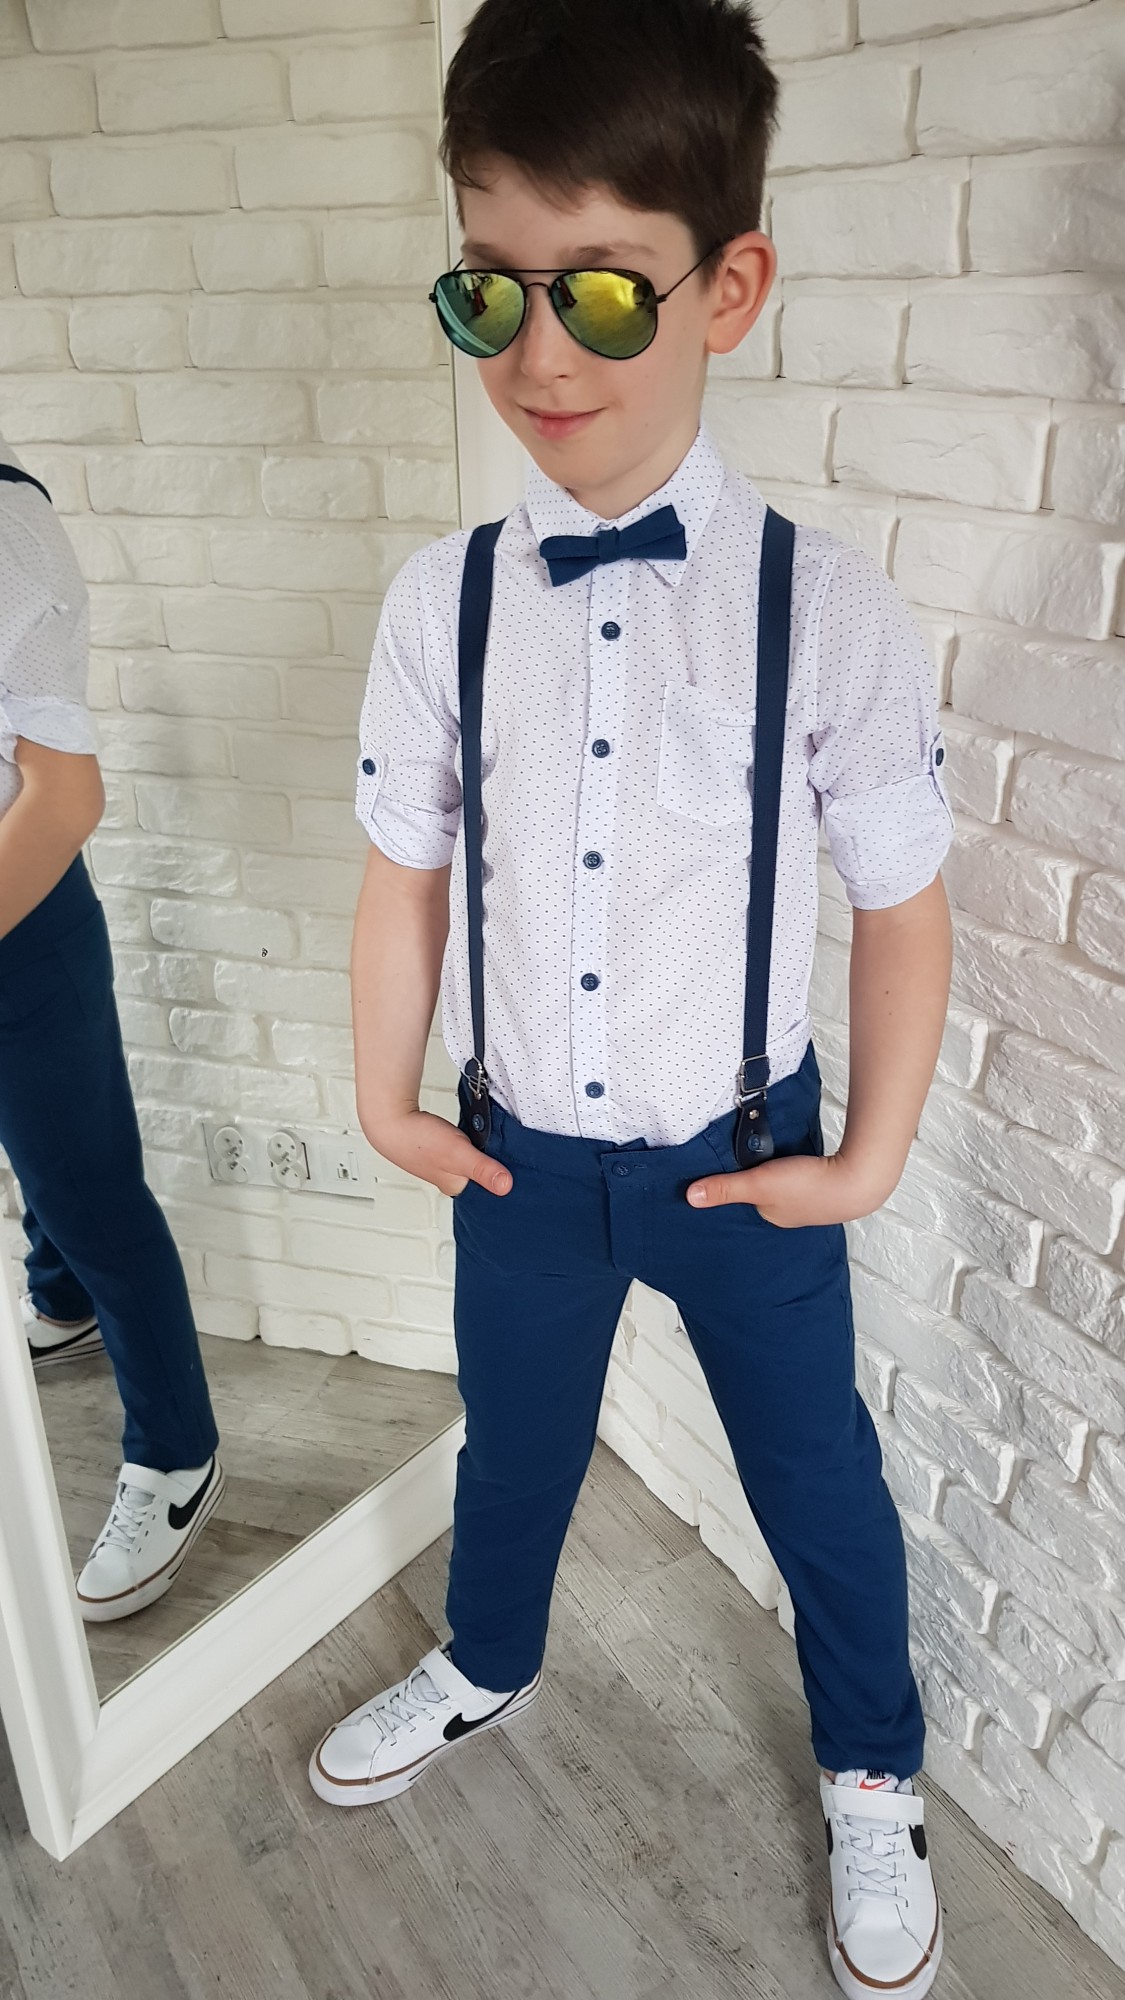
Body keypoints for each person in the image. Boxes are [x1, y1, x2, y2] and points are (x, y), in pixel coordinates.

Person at [313, 4, 954, 1993]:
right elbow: (406, 871)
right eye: (484, 289)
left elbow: (903, 902)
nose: (536, 356)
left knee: (816, 1486)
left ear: (725, 288)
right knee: (513, 1445)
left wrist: (866, 1163)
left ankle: (872, 1769)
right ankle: (486, 1657)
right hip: (516, 1157)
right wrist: (387, 1099)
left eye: (596, 290)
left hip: (741, 1160)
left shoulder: (823, 609)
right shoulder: (439, 602)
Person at [0, 441, 223, 1622]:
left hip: (19, 910)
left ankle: (176, 1450)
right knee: (44, 1160)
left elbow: (65, 796)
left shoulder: (8, 533)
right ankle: (59, 1298)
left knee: (90, 1188)